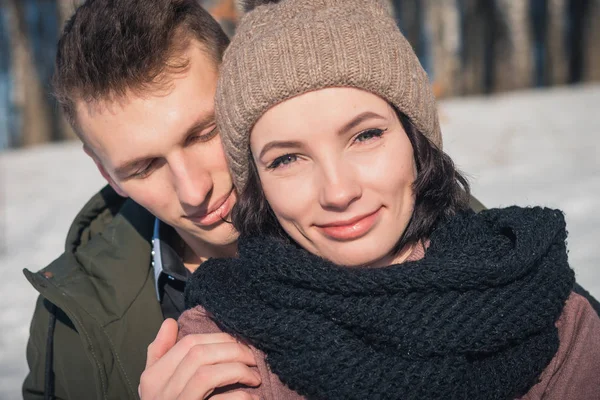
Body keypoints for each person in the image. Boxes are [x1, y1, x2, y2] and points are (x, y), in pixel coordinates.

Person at [179, 0, 600, 399]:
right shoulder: (216, 348)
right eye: (287, 159)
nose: (339, 192)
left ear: (416, 140)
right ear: (257, 184)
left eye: (366, 136)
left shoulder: (551, 311)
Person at [22, 1, 262, 399]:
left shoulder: (372, 234)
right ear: (106, 173)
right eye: (144, 167)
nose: (193, 190)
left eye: (204, 133)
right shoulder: (67, 327)